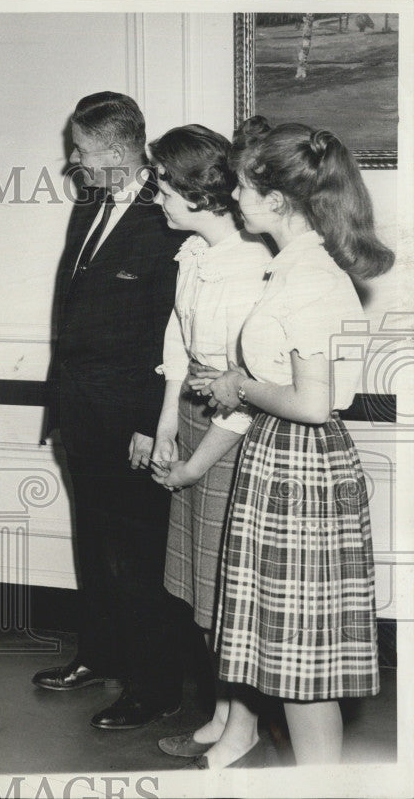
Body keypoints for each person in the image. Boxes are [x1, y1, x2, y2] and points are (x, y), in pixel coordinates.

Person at [189, 118, 393, 768]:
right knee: (289, 657)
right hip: (285, 460)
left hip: (300, 465)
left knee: (303, 666)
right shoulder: (297, 267)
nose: (236, 198)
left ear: (276, 198)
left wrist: (239, 385)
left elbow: (311, 401)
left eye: (244, 187)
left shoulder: (309, 278)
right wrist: (238, 384)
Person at [33, 92, 190, 730]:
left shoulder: (168, 220)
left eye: (83, 150)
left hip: (131, 419)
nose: (73, 160)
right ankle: (98, 654)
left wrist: (149, 423)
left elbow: (169, 330)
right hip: (77, 410)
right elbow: (71, 313)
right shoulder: (90, 204)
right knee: (95, 544)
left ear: (122, 153)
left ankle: (153, 686)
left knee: (137, 555)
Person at [140, 124, 272, 759]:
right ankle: (223, 712)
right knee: (205, 587)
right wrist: (168, 422)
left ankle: (243, 727)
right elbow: (178, 340)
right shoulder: (196, 252)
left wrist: (194, 465)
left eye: (163, 184)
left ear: (196, 191)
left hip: (234, 439)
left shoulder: (249, 265)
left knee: (233, 591)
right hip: (196, 422)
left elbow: (248, 394)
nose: (155, 194)